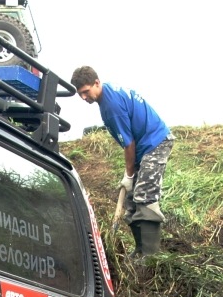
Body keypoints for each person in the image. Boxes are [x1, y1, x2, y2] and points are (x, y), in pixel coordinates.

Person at [70, 65, 171, 256]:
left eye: (86, 91)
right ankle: (140, 250)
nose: (84, 97)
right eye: (80, 94)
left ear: (96, 83)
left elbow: (129, 144)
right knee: (132, 200)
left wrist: (129, 175)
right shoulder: (107, 94)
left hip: (155, 142)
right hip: (144, 147)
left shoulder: (111, 106)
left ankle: (150, 257)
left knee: (145, 196)